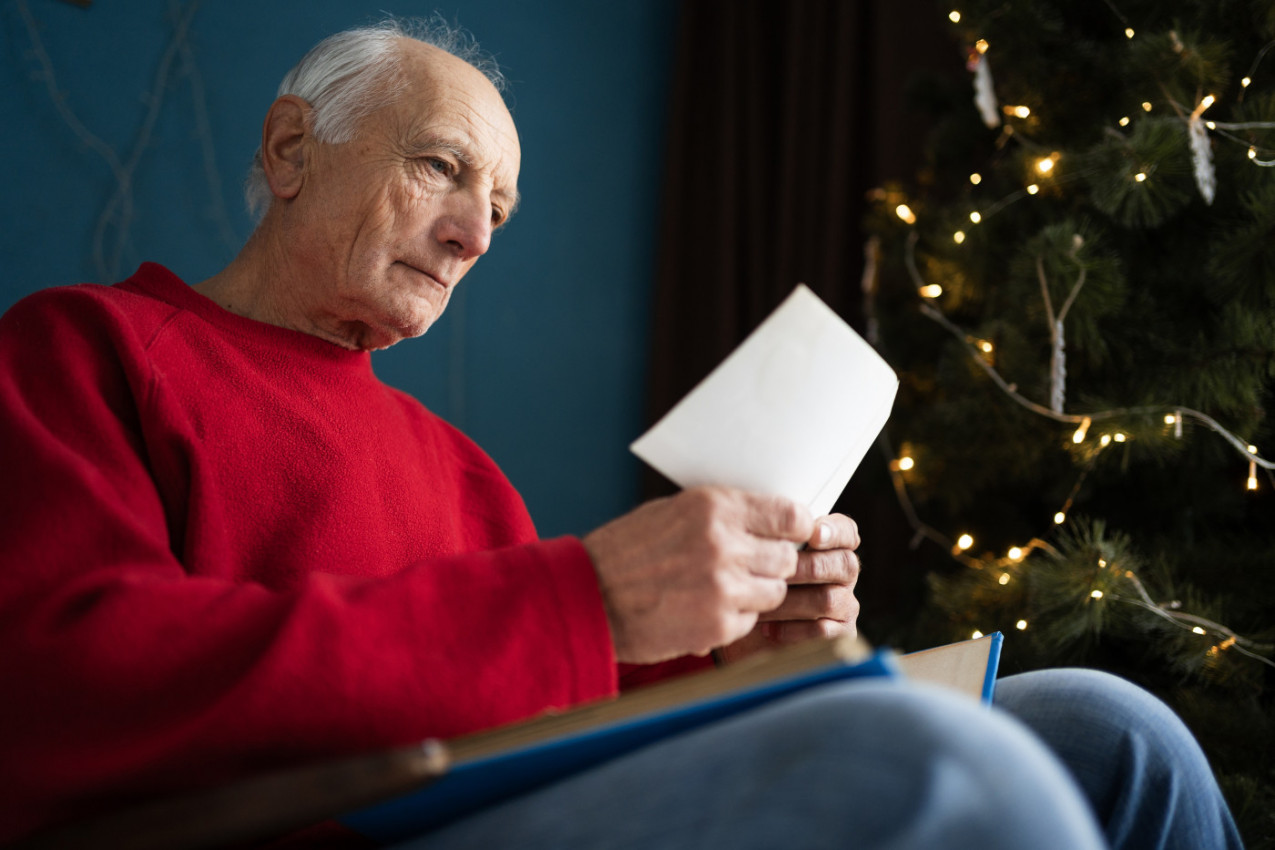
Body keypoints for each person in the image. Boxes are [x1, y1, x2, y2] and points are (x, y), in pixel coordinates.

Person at [0, 17, 1243, 850]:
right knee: (929, 761)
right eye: (442, 169)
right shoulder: (86, 349)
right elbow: (62, 682)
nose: (476, 236)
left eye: (500, 207)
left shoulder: (459, 470)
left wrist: (746, 645)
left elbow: (565, 684)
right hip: (344, 825)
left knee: (1106, 724)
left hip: (527, 791)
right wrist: (581, 600)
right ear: (289, 150)